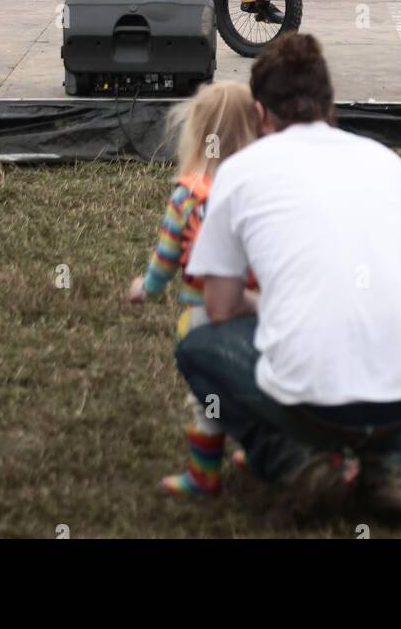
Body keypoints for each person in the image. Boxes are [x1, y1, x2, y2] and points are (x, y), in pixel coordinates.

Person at [176, 32, 401, 522]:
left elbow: (219, 307)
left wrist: (270, 304)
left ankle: (299, 463)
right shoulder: (386, 162)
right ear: (330, 104)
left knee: (197, 344)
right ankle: (387, 463)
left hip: (314, 400)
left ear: (260, 113)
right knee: (367, 362)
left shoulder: (240, 173)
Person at [128, 81, 259, 496]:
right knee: (254, 384)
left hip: (201, 314)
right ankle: (259, 453)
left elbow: (167, 255)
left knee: (208, 399)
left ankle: (205, 474)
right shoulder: (259, 190)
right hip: (255, 310)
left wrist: (145, 287)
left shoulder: (189, 195)